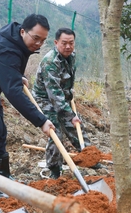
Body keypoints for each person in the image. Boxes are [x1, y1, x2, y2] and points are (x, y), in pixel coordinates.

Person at [0, 14, 55, 197]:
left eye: (43, 41)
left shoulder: (16, 42)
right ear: (23, 31)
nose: (38, 44)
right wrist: (41, 120)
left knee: (1, 130)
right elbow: (13, 92)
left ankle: (3, 177)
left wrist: (13, 75)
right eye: (35, 38)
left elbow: (4, 66)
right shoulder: (8, 48)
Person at [33, 27, 91, 179]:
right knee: (56, 131)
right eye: (64, 43)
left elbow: (67, 81)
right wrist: (70, 114)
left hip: (62, 96)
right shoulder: (50, 62)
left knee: (76, 125)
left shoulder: (72, 55)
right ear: (56, 42)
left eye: (71, 43)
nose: (68, 46)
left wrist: (69, 97)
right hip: (45, 99)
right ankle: (54, 169)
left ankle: (90, 157)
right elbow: (54, 95)